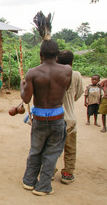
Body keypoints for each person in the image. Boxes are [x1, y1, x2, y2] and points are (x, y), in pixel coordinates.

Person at [20, 38, 72, 196]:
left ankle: (29, 181)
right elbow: (66, 88)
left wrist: (23, 86)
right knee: (52, 153)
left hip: (40, 119)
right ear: (57, 55)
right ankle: (43, 186)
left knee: (35, 150)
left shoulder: (33, 72)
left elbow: (26, 99)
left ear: (40, 55)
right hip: (57, 118)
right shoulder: (67, 71)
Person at [56, 50, 84, 185]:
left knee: (52, 146)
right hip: (70, 118)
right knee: (70, 148)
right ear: (72, 62)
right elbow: (78, 95)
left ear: (57, 61)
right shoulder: (76, 75)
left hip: (54, 117)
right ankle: (67, 173)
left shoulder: (52, 74)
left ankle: (49, 170)